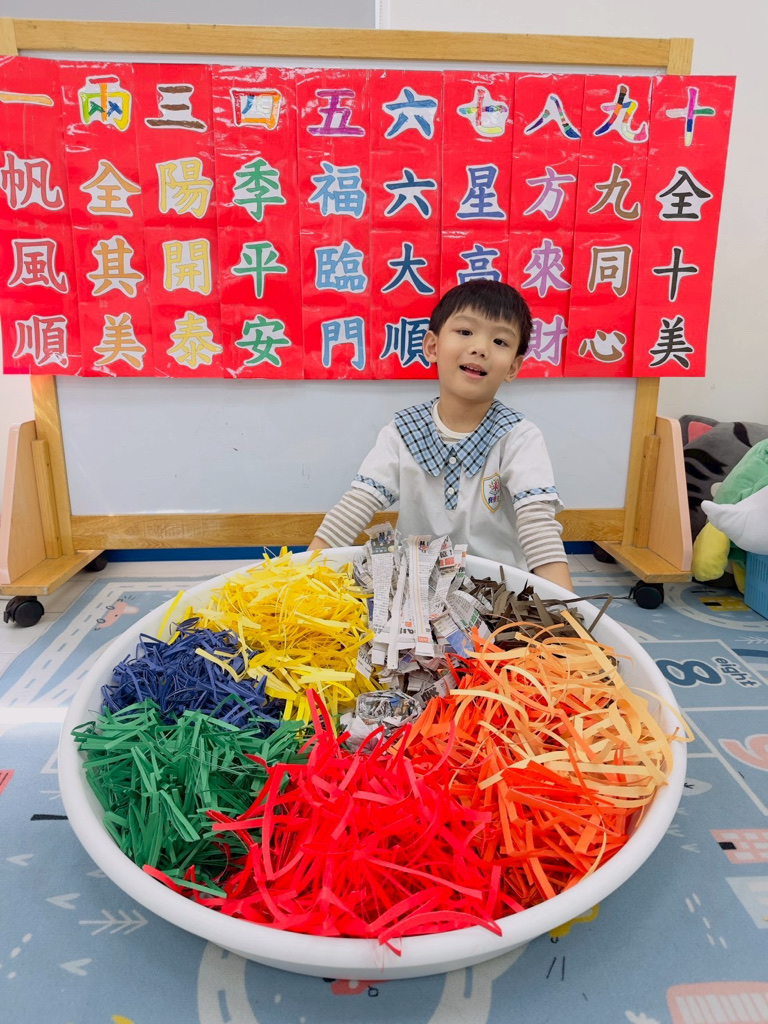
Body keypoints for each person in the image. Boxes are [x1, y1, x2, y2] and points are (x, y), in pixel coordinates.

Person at [308, 280, 573, 592]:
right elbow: (356, 506)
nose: (480, 348)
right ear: (432, 346)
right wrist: (301, 580)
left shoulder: (519, 437)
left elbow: (538, 526)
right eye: (465, 331)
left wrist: (566, 610)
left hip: (501, 593)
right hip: (414, 589)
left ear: (513, 367)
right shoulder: (401, 431)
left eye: (500, 341)